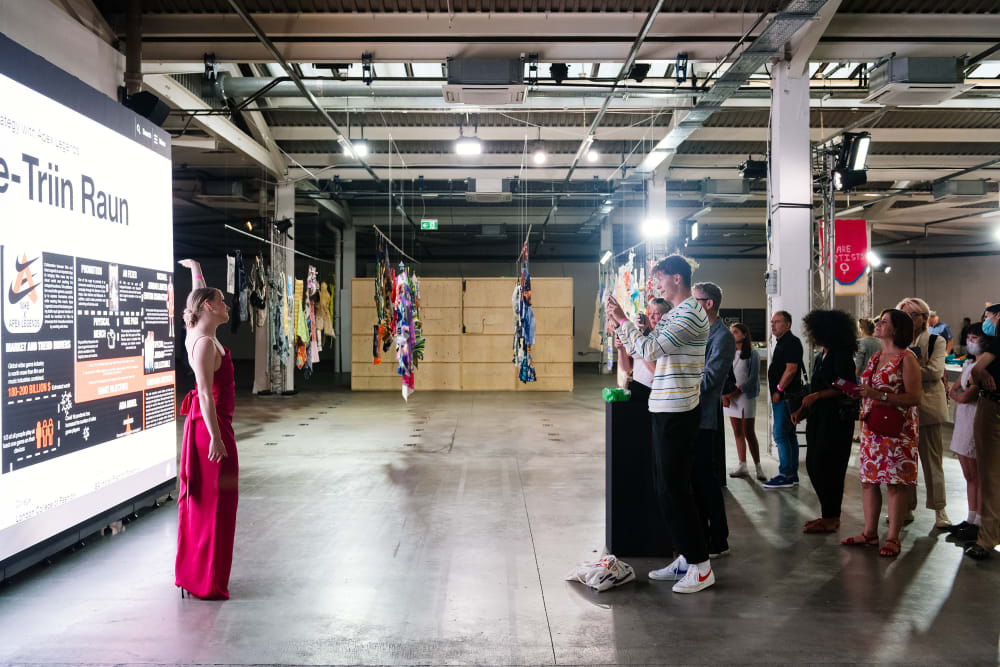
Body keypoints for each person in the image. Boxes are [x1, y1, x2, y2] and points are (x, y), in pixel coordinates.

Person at [607, 254, 714, 594]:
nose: (655, 285)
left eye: (660, 279)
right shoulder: (676, 314)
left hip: (678, 410)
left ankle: (701, 566)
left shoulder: (689, 315)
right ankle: (687, 556)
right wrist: (626, 327)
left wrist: (624, 321)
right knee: (667, 488)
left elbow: (649, 350)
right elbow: (647, 346)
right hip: (665, 407)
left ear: (677, 279)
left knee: (675, 490)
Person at [175, 258, 239, 600]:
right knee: (217, 506)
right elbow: (202, 393)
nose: (227, 306)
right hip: (211, 430)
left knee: (212, 504)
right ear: (209, 307)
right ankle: (207, 580)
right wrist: (215, 436)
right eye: (222, 302)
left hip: (212, 427)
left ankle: (200, 574)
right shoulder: (202, 345)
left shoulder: (199, 333)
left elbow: (198, 293)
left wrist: (196, 269)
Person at [842, 309, 922, 558]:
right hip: (873, 428)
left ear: (896, 329)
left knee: (895, 484)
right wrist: (857, 392)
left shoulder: (906, 358)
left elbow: (914, 397)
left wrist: (880, 396)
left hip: (898, 431)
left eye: (884, 322)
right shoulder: (876, 356)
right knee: (869, 482)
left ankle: (893, 537)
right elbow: (870, 388)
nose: (878, 324)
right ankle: (869, 533)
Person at [791, 310, 859, 534]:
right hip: (819, 417)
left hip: (836, 420)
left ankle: (831, 517)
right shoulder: (823, 355)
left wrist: (818, 396)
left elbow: (848, 388)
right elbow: (816, 387)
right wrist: (803, 409)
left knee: (829, 467)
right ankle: (827, 514)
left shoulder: (841, 356)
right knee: (814, 464)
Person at [897, 298, 951, 528]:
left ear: (923, 318)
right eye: (904, 315)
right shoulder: (896, 341)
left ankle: (940, 510)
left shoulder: (936, 340)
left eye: (913, 315)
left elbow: (936, 371)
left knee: (932, 462)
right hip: (902, 409)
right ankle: (906, 508)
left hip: (927, 408)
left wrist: (907, 366)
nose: (909, 320)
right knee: (904, 462)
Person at [692, 282, 735, 559]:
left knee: (706, 481)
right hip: (689, 415)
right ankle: (703, 533)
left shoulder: (722, 337)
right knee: (695, 482)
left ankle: (719, 538)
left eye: (695, 300)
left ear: (709, 303)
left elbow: (710, 380)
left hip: (703, 418)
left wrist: (677, 380)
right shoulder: (698, 332)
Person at [966, 304, 1000, 560]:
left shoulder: (996, 344)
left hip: (993, 408)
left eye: (988, 317)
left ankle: (987, 537)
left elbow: (976, 372)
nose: (986, 321)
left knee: (990, 474)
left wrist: (982, 375)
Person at [946, 323, 983, 544]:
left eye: (975, 338)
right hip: (962, 419)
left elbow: (967, 394)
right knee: (968, 474)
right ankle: (970, 518)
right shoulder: (969, 363)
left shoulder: (985, 367)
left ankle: (979, 521)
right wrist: (961, 394)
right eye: (968, 337)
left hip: (976, 419)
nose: (970, 341)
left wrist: (961, 394)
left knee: (977, 474)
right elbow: (955, 388)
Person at [763, 310, 804, 489]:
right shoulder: (782, 342)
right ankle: (791, 473)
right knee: (788, 434)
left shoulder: (791, 342)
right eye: (772, 322)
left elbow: (791, 369)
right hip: (786, 397)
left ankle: (785, 474)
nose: (773, 325)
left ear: (787, 324)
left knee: (780, 434)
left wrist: (779, 389)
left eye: (777, 322)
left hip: (787, 397)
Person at [724, 323, 766, 481]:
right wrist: (725, 395)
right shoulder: (728, 353)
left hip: (745, 395)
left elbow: (753, 378)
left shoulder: (752, 354)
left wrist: (736, 392)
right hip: (730, 396)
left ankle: (758, 466)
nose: (732, 334)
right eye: (731, 332)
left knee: (749, 431)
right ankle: (742, 464)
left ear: (744, 335)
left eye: (735, 332)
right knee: (737, 431)